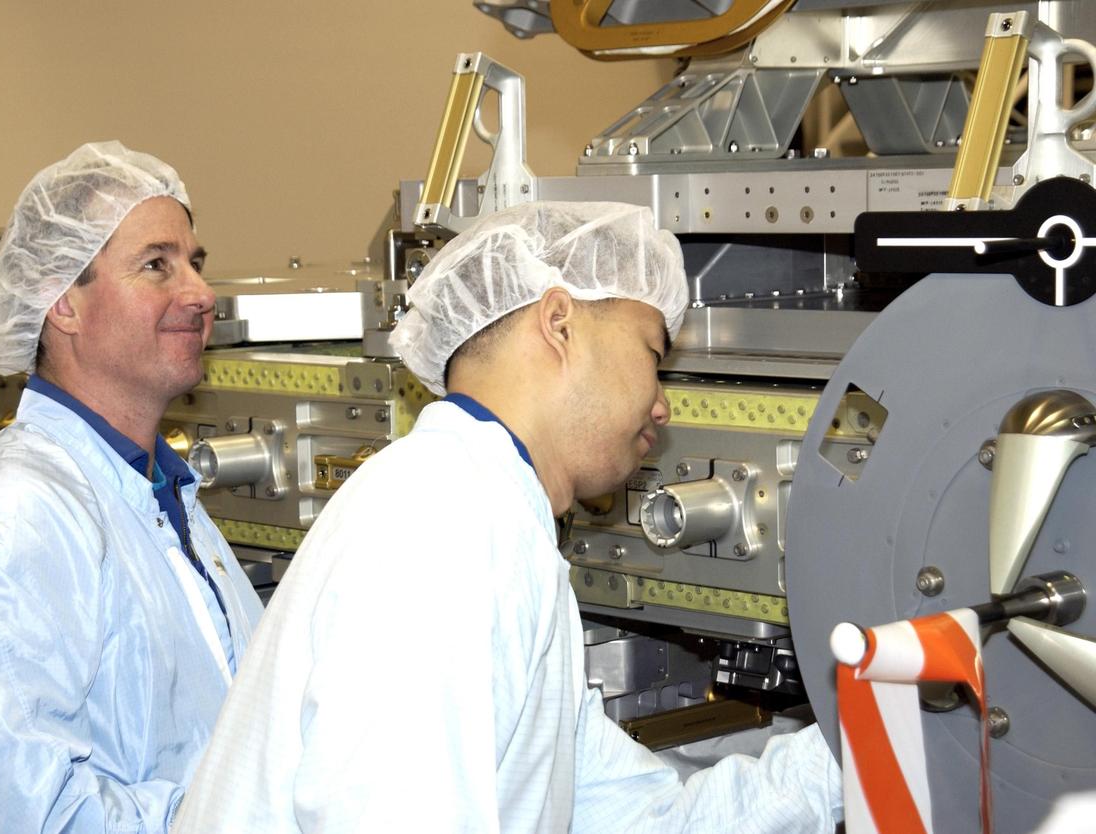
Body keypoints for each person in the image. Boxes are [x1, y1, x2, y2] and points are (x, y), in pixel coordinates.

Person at [173, 201, 842, 832]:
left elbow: (646, 819)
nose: (662, 405)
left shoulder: (491, 519)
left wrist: (870, 741)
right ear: (558, 324)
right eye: (651, 355)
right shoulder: (443, 526)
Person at [0, 141, 264, 833]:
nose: (201, 294)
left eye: (195, 262)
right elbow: (12, 813)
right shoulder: (7, 520)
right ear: (62, 302)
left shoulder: (162, 498)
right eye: (157, 265)